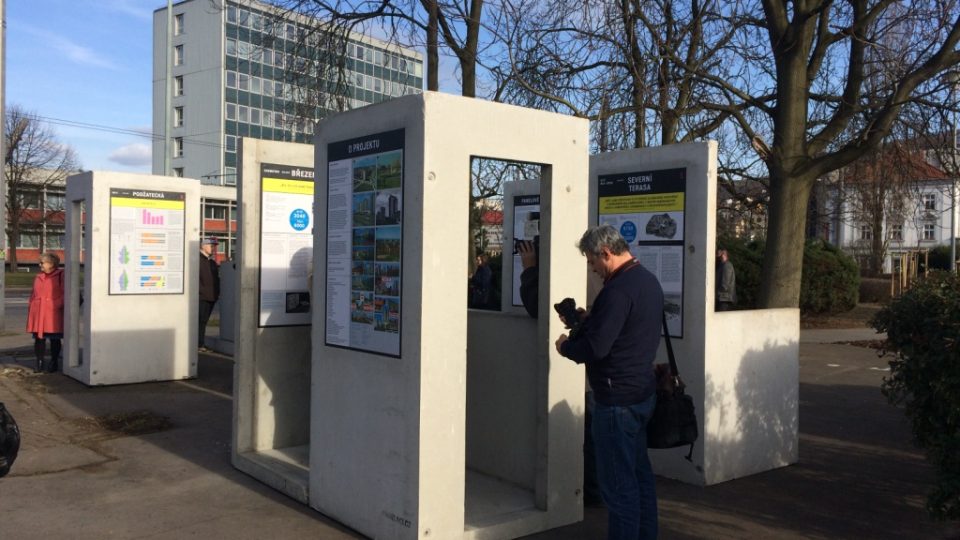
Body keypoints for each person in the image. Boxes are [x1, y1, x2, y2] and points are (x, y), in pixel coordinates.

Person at [555, 225, 663, 540]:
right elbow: (624, 330)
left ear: (606, 253)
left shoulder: (617, 291)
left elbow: (596, 348)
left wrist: (566, 347)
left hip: (617, 402)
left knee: (619, 490)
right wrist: (591, 320)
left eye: (592, 261)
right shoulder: (646, 281)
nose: (593, 269)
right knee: (641, 480)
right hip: (642, 393)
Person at [26, 252, 65, 373]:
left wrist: (56, 305)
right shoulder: (39, 276)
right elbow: (33, 293)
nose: (40, 265)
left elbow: (65, 293)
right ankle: (40, 362)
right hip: (38, 312)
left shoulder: (61, 275)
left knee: (54, 338)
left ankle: (54, 361)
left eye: (42, 262)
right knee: (39, 338)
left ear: (51, 264)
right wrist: (32, 304)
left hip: (52, 312)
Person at [199, 237, 221, 352]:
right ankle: (199, 344)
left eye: (213, 246)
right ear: (203, 246)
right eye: (210, 245)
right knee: (200, 321)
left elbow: (216, 280)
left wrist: (217, 293)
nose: (212, 248)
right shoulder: (197, 260)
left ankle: (200, 343)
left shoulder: (212, 263)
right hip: (201, 297)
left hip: (212, 297)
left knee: (204, 321)